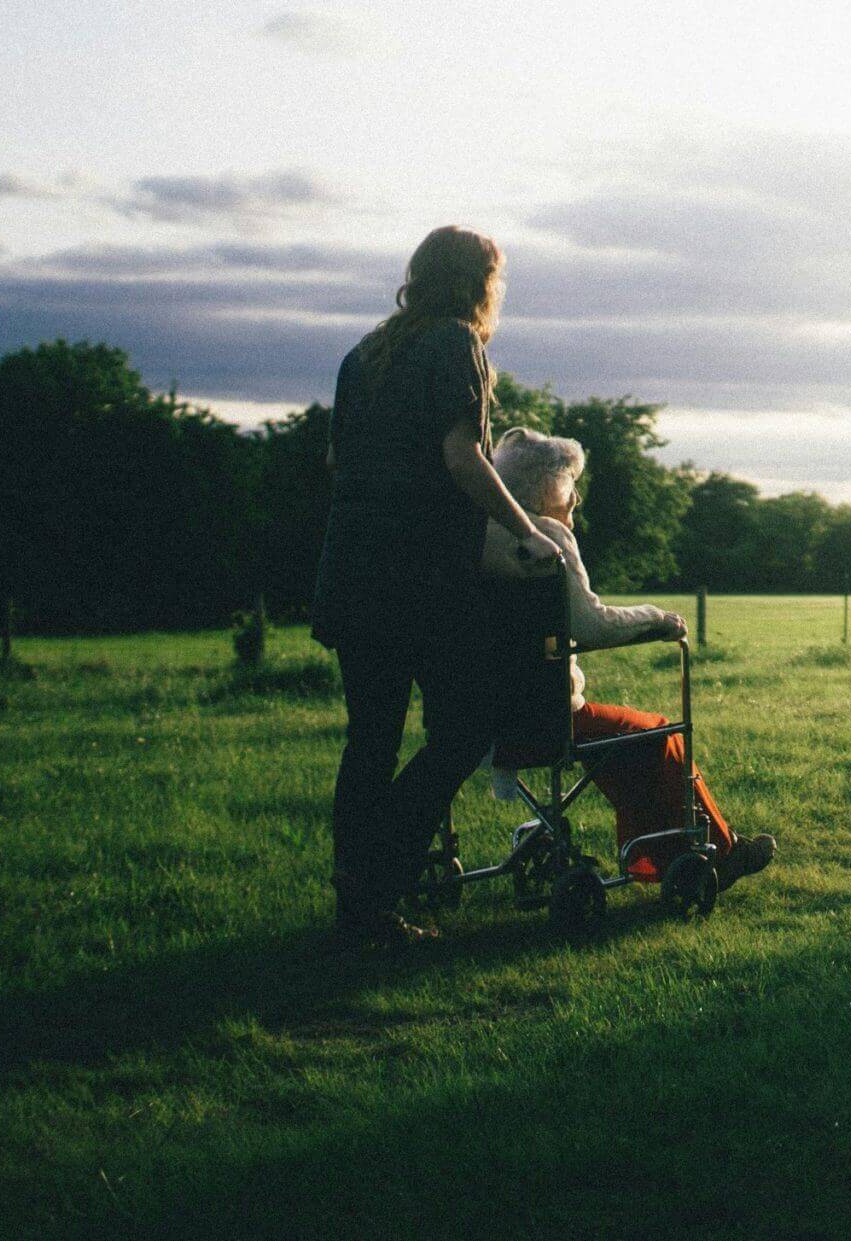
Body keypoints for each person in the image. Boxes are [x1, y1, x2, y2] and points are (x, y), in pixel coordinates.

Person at [311, 225, 562, 948]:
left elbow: (340, 459)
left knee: (371, 739)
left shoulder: (364, 354)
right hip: (417, 579)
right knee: (464, 728)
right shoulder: (457, 346)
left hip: (351, 569)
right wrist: (527, 529)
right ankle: (377, 878)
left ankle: (358, 904)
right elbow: (463, 457)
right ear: (479, 282)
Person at [479, 428, 774, 888]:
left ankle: (652, 860)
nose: (576, 496)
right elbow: (591, 625)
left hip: (483, 718)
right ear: (545, 488)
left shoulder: (480, 535)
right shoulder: (546, 537)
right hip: (545, 718)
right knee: (656, 733)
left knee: (622, 741)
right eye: (569, 482)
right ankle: (720, 851)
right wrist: (657, 618)